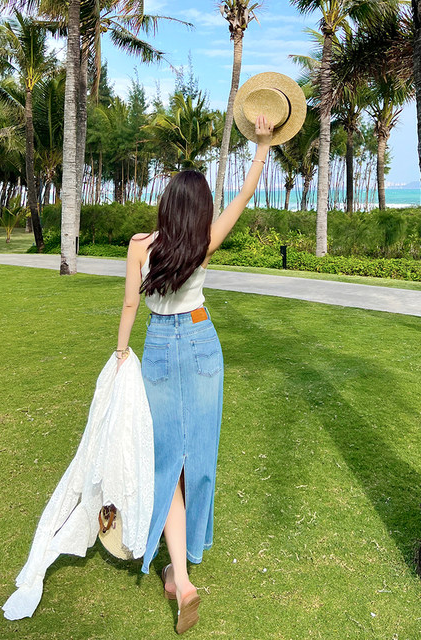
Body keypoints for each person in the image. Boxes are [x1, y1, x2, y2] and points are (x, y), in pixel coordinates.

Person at [115, 114, 274, 634]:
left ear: (166, 204)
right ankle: (182, 569)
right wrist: (262, 145)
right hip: (203, 341)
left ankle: (180, 579)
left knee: (166, 459)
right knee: (197, 456)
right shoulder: (204, 241)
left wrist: (121, 353)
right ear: (200, 209)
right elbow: (244, 196)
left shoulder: (141, 246)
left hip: (161, 345)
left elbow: (130, 308)